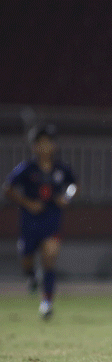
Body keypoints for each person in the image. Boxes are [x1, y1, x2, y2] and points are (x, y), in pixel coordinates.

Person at [3, 124, 77, 319]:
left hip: (51, 220)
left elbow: (73, 185)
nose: (45, 147)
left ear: (54, 146)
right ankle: (31, 277)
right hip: (30, 222)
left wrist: (67, 197)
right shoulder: (27, 169)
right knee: (26, 258)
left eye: (49, 143)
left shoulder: (61, 169)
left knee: (50, 258)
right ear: (34, 147)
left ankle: (47, 303)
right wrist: (27, 203)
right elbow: (8, 188)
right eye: (41, 143)